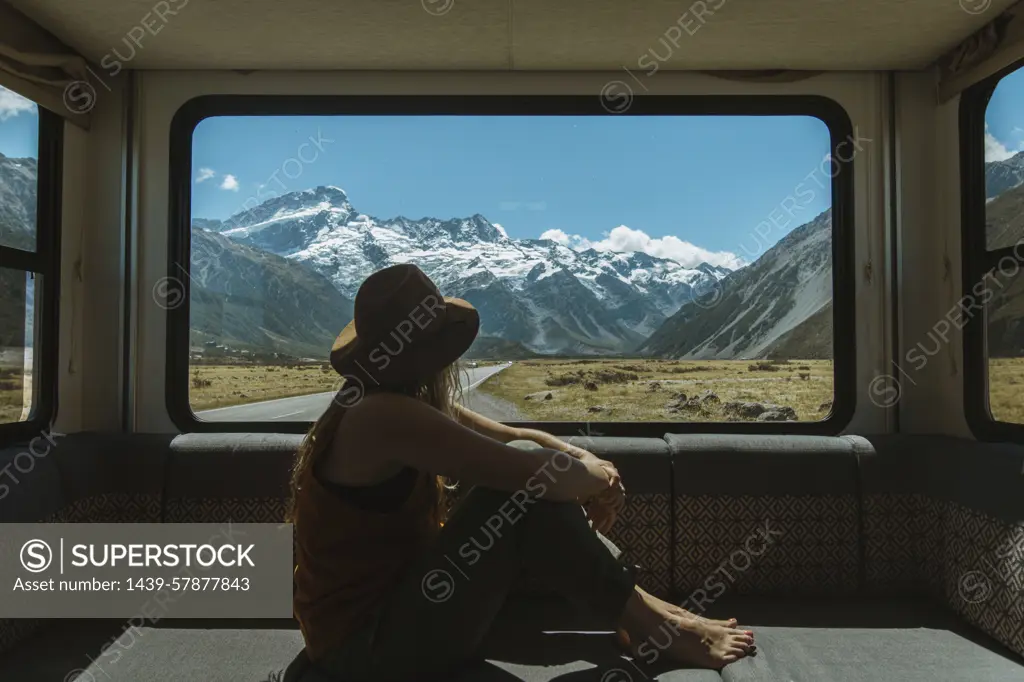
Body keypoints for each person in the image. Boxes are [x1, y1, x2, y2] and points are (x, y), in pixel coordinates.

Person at [286, 263, 755, 682]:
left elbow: (515, 440)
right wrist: (594, 476)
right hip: (368, 651)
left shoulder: (394, 405)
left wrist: (587, 462)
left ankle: (641, 612)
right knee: (516, 495)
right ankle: (651, 623)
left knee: (525, 472)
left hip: (396, 616)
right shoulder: (384, 416)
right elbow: (534, 475)